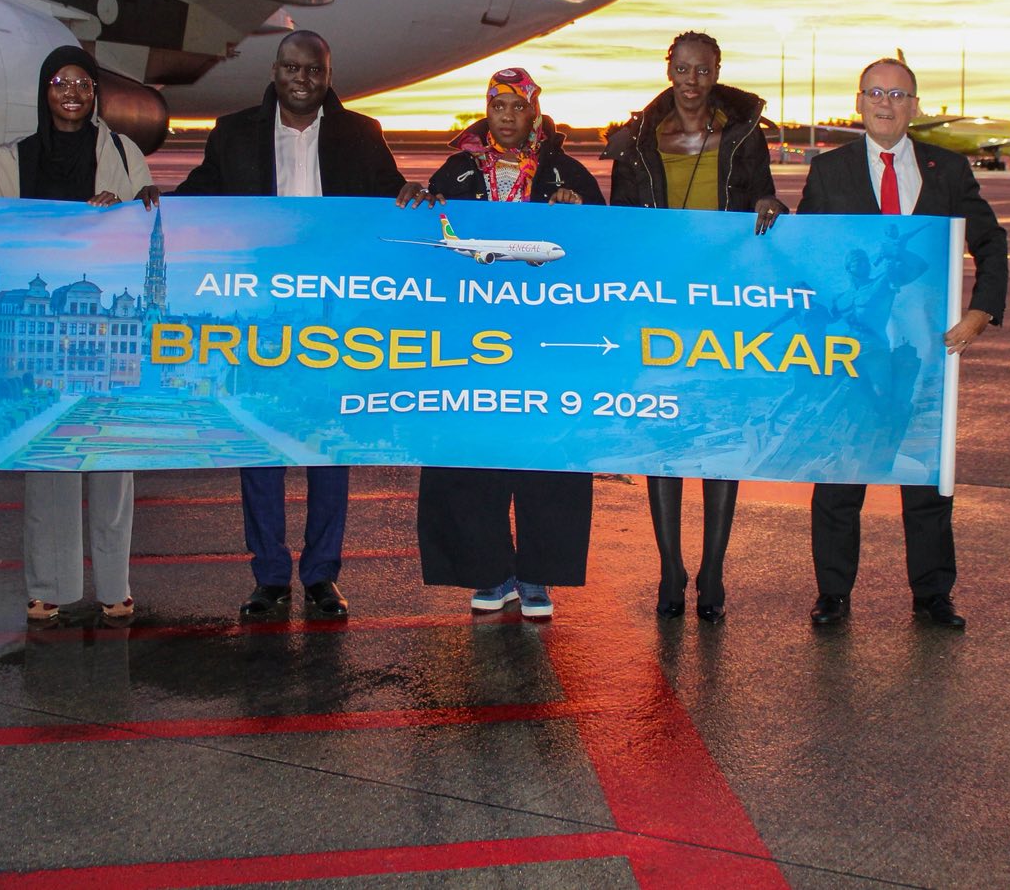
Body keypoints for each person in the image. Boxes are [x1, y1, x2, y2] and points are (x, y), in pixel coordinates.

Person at [175, 30, 423, 620]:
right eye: (291, 68)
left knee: (327, 448)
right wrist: (148, 207)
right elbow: (199, 195)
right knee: (258, 445)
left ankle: (320, 575)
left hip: (329, 315)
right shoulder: (234, 133)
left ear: (328, 74)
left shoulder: (360, 135)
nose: (302, 79)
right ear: (275, 70)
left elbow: (389, 194)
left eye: (313, 70)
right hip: (258, 312)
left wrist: (411, 193)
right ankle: (268, 576)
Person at [790, 55, 1007, 631]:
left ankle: (932, 596)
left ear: (915, 105)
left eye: (898, 94)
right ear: (858, 103)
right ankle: (832, 594)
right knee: (841, 469)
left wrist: (982, 310)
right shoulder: (828, 171)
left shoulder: (949, 171)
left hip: (926, 345)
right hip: (851, 349)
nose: (885, 103)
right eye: (875, 93)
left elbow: (990, 241)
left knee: (928, 472)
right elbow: (814, 260)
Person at [0, 46, 159, 628]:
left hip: (101, 334)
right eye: (60, 81)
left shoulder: (124, 152)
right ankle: (49, 585)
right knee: (48, 468)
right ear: (45, 90)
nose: (72, 92)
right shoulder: (11, 159)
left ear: (96, 92)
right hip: (51, 331)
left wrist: (128, 208)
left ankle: (114, 584)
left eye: (83, 82)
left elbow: (146, 224)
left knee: (113, 465)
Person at [609, 32, 786, 622]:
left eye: (702, 70)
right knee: (664, 437)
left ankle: (712, 567)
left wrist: (769, 205)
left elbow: (765, 196)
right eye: (681, 69)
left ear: (716, 73)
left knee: (720, 435)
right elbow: (622, 225)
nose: (691, 80)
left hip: (726, 301)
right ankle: (669, 565)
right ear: (669, 70)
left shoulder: (743, 133)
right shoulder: (637, 138)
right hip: (660, 303)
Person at [417, 68, 602, 619]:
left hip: (545, 338)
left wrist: (581, 213)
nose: (506, 114)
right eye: (497, 104)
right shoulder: (456, 171)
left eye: (517, 106)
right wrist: (419, 202)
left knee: (548, 452)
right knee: (475, 450)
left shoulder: (567, 173)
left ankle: (540, 574)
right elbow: (430, 246)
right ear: (487, 109)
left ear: (534, 113)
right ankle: (488, 571)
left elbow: (600, 247)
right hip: (470, 341)